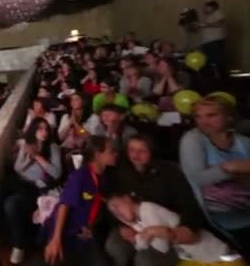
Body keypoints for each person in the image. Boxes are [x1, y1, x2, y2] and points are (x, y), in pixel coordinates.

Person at [106, 135, 205, 266]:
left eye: (142, 151)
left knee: (145, 260)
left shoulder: (170, 172)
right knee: (114, 245)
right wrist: (121, 227)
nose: (135, 155)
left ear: (152, 151)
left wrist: (183, 231)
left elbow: (188, 206)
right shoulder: (123, 171)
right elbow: (115, 203)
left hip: (165, 228)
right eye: (131, 150)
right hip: (135, 224)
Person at [0, 117, 61, 264]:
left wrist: (37, 156)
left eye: (46, 129)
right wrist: (28, 156)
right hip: (19, 181)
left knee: (11, 204)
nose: (43, 132)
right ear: (33, 130)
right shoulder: (27, 144)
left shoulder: (52, 147)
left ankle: (19, 246)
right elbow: (18, 168)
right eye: (40, 129)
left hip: (37, 186)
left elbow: (56, 173)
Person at [179, 96, 250, 249]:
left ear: (229, 117)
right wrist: (231, 168)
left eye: (211, 115)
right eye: (198, 116)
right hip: (219, 220)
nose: (203, 122)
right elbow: (196, 178)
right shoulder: (193, 140)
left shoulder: (243, 142)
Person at [40, 136, 116, 266]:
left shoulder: (107, 177)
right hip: (67, 230)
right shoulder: (80, 176)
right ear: (98, 155)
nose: (116, 153)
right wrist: (56, 239)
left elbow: (97, 205)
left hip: (86, 231)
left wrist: (91, 226)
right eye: (111, 151)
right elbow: (64, 205)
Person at [107, 194, 243, 265]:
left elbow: (162, 247)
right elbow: (141, 245)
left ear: (127, 199)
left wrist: (141, 236)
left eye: (117, 206)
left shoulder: (147, 209)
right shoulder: (138, 222)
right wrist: (137, 234)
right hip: (193, 258)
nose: (118, 213)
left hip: (215, 254)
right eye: (114, 213)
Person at [198, 1, 227, 79]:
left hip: (215, 42)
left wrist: (204, 25)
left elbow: (220, 23)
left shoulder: (218, 13)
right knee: (210, 62)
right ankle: (213, 78)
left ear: (213, 7)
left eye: (207, 7)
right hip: (208, 43)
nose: (205, 9)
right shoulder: (208, 16)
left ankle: (220, 78)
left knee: (216, 61)